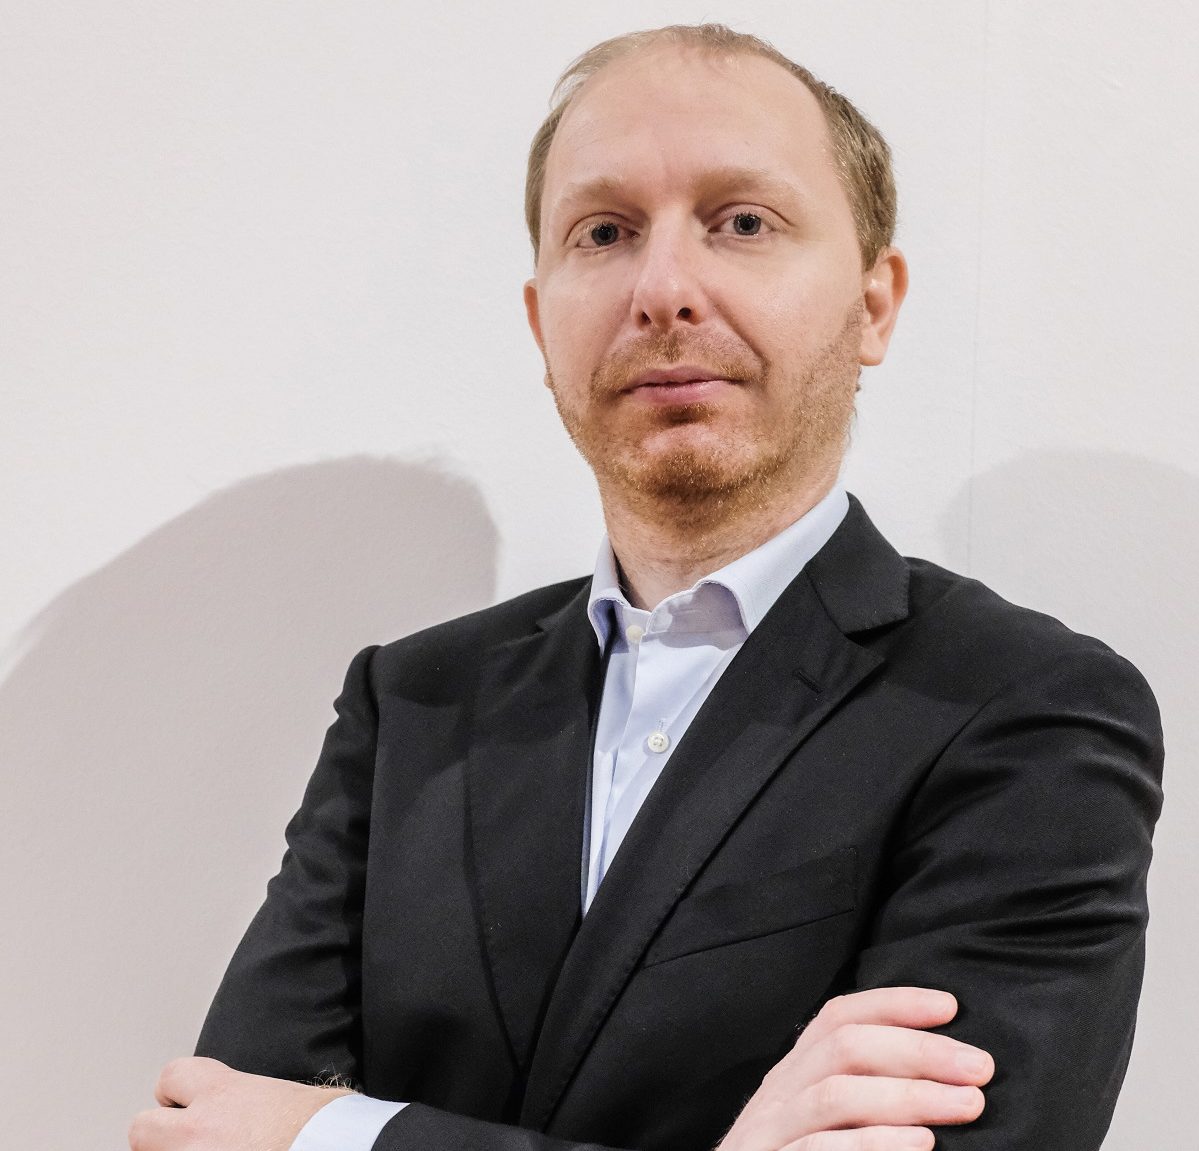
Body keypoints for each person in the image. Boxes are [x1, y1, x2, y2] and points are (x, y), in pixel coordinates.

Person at [128, 23, 1164, 1151]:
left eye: (743, 222)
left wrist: (343, 1132)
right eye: (605, 232)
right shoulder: (411, 701)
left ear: (872, 304)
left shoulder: (1025, 708)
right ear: (542, 322)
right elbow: (209, 1130)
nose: (664, 288)